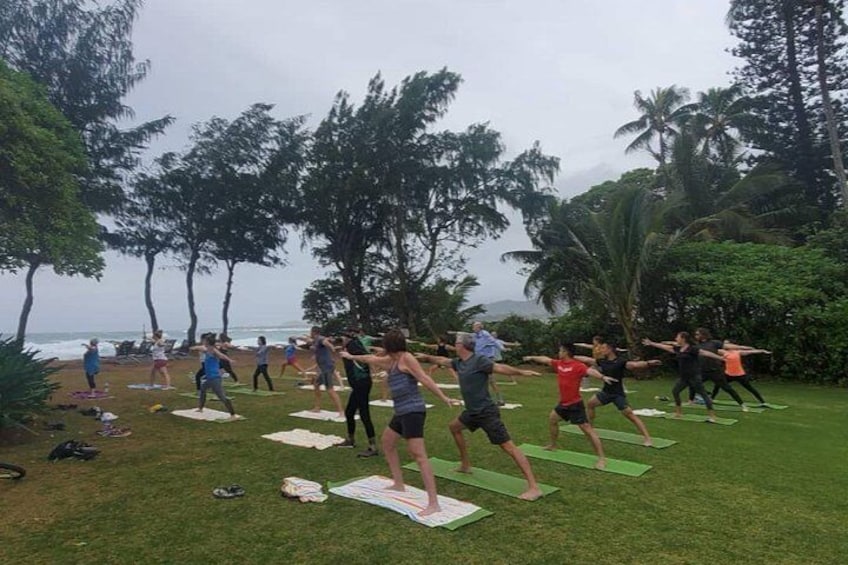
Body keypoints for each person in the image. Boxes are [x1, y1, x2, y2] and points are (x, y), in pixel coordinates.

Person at [340, 329, 458, 517]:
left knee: (419, 456)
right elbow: (370, 359)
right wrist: (350, 355)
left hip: (413, 411)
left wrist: (444, 397)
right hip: (401, 412)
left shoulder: (406, 359)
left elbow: (424, 378)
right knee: (387, 443)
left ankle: (434, 503)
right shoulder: (391, 361)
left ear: (390, 346)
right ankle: (399, 483)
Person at [416, 333, 544, 500]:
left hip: (486, 412)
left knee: (508, 447)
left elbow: (500, 368)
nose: (455, 345)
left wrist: (521, 372)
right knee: (454, 427)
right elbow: (441, 361)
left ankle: (534, 487)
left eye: (456, 343)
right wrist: (425, 356)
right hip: (471, 412)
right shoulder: (458, 362)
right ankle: (465, 465)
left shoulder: (479, 360)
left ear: (462, 346)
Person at [523, 343, 612, 469]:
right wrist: (531, 357)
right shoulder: (559, 363)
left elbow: (590, 371)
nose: (559, 353)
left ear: (565, 352)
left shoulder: (578, 365)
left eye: (560, 351)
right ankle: (553, 445)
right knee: (552, 419)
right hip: (563, 404)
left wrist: (603, 377)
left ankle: (602, 458)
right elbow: (545, 359)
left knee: (587, 430)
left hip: (575, 404)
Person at [576, 338, 660, 446]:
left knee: (630, 415)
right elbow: (588, 360)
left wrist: (649, 363)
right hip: (605, 393)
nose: (601, 350)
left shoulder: (620, 362)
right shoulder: (602, 361)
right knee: (590, 404)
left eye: (603, 348)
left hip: (617, 395)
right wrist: (572, 356)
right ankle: (590, 429)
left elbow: (635, 365)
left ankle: (647, 438)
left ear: (610, 349)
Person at [642, 333, 723, 422]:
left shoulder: (692, 349)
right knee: (675, 391)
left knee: (703, 395)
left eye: (677, 337)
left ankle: (712, 416)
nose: (676, 338)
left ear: (683, 339)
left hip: (694, 376)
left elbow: (705, 353)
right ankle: (678, 413)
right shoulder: (678, 349)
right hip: (684, 377)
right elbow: (666, 347)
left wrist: (720, 358)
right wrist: (652, 343)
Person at [335, 329, 378, 457]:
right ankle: (350, 440)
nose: (341, 340)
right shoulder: (353, 344)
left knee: (364, 414)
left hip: (361, 383)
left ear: (348, 338)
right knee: (349, 412)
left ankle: (373, 447)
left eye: (343, 338)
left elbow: (366, 358)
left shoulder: (352, 346)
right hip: (359, 384)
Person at [690, 328, 750, 411]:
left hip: (715, 371)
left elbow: (728, 346)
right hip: (702, 371)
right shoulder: (696, 346)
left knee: (727, 388)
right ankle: (692, 400)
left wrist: (743, 347)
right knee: (692, 384)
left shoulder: (714, 343)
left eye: (697, 334)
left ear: (703, 335)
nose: (695, 336)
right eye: (695, 334)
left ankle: (742, 404)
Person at [193, 334, 239, 421]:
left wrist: (230, 360)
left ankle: (233, 415)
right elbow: (199, 348)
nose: (203, 342)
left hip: (215, 378)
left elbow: (222, 355)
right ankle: (200, 408)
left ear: (208, 342)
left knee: (222, 397)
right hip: (209, 378)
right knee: (203, 389)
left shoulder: (214, 351)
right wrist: (193, 348)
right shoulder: (207, 350)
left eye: (205, 341)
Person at [308, 326, 344, 418]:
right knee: (316, 384)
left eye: (310, 332)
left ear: (313, 332)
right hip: (323, 367)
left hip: (327, 367)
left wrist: (332, 348)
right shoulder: (316, 340)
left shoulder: (320, 339)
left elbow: (325, 342)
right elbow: (312, 343)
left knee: (330, 390)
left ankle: (341, 412)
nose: (309, 333)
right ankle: (317, 407)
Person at [471, 321, 507, 404]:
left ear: (479, 328)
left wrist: (502, 348)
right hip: (478, 359)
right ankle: (478, 397)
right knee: (476, 378)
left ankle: (500, 399)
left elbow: (494, 342)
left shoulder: (485, 335)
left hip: (487, 360)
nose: (473, 328)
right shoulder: (476, 336)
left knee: (491, 380)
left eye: (474, 327)